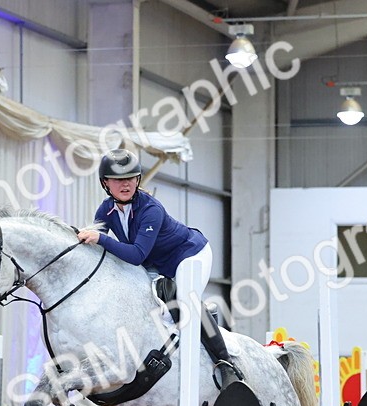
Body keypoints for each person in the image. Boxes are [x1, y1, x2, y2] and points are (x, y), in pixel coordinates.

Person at [76, 148, 243, 390]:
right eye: (118, 180)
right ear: (106, 183)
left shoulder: (150, 209)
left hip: (189, 255)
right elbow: (96, 253)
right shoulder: (106, 210)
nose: (125, 184)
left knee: (186, 301)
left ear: (137, 180)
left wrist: (99, 238)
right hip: (157, 265)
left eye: (131, 178)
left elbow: (135, 255)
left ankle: (226, 365)